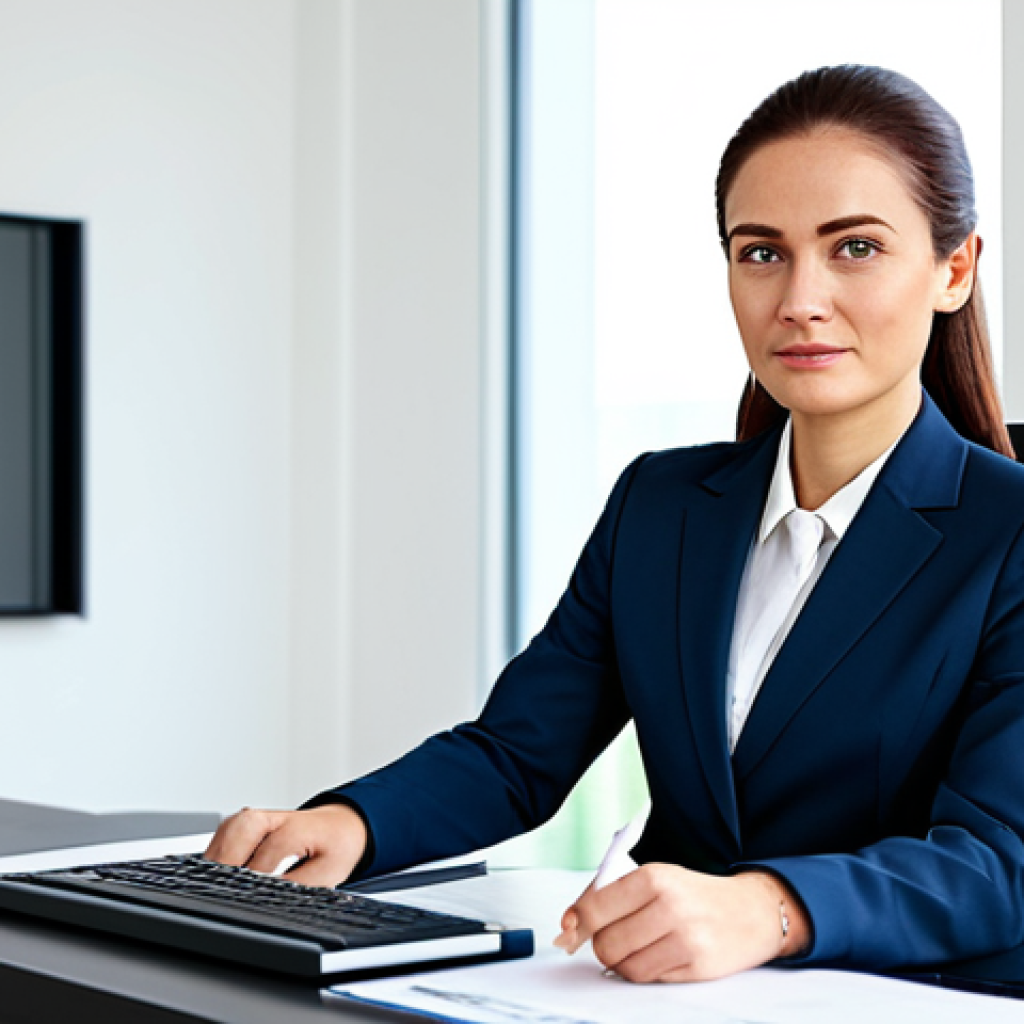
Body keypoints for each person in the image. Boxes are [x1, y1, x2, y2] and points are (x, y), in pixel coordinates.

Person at [205, 65, 1024, 983]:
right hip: (667, 1002)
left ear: (953, 270)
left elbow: (999, 859)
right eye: (761, 252)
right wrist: (351, 823)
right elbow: (517, 752)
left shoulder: (1008, 532)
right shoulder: (662, 506)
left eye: (856, 248)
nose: (799, 298)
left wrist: (769, 908)